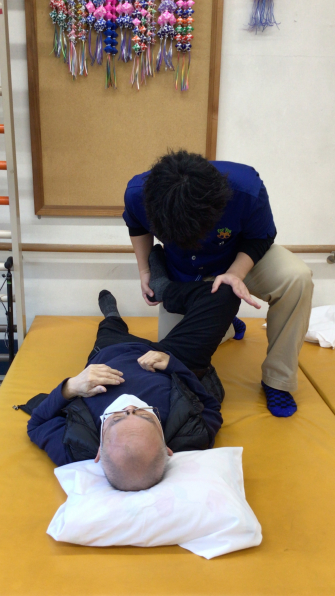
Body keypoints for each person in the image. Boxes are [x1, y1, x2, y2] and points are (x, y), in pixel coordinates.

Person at [123, 150, 314, 417]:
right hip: (185, 268)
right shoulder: (137, 194)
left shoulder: (246, 189)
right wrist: (144, 270)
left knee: (297, 278)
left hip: (240, 257)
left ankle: (278, 380)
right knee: (173, 359)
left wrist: (235, 274)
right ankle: (226, 322)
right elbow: (137, 226)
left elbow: (261, 236)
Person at [26, 272, 240, 492]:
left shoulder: (77, 448)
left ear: (99, 452)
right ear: (167, 449)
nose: (130, 406)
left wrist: (70, 387)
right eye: (146, 416)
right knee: (226, 293)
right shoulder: (190, 436)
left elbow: (36, 425)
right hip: (168, 356)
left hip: (112, 350)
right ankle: (163, 289)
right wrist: (173, 364)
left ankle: (112, 316)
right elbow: (211, 407)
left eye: (116, 418)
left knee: (110, 328)